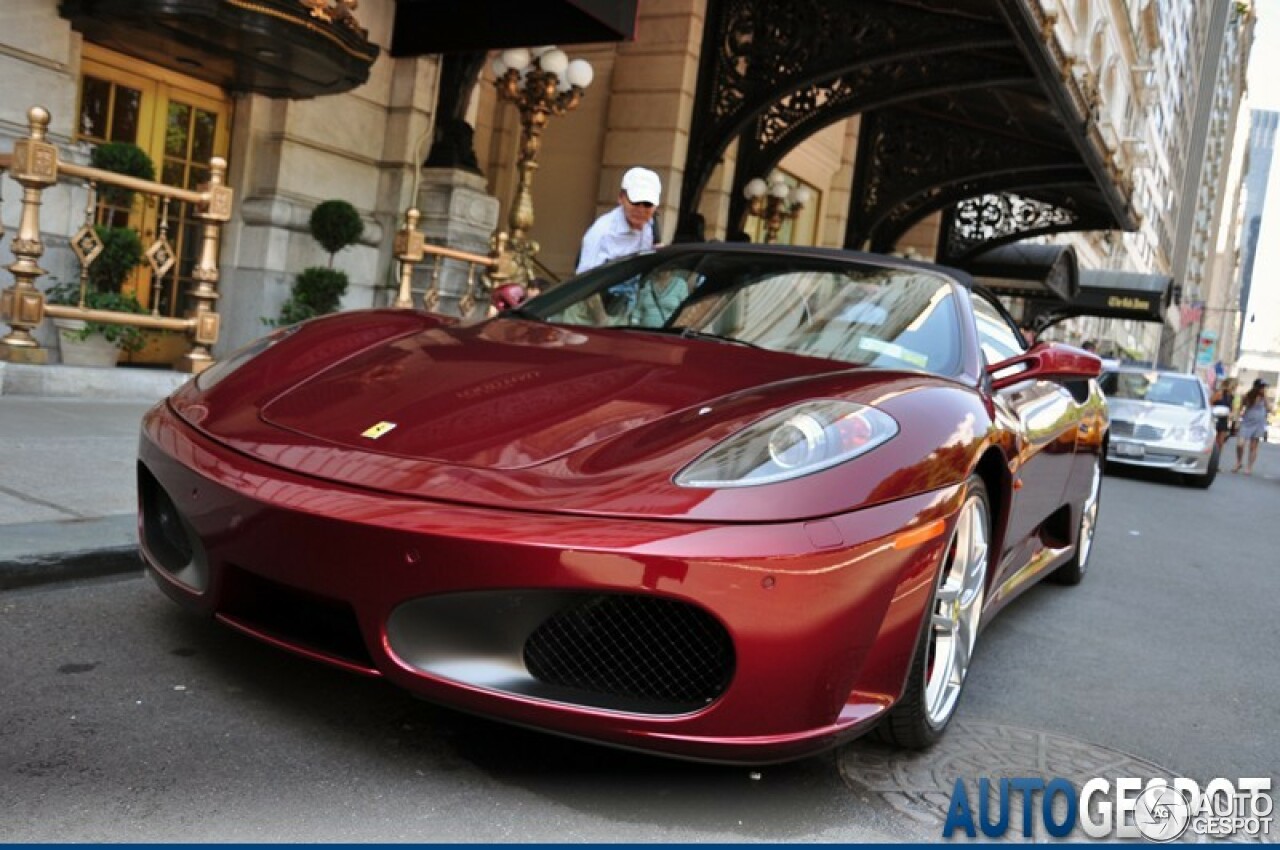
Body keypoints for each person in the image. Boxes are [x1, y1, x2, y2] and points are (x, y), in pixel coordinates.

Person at [576, 166, 662, 274]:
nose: (641, 210)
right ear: (621, 198)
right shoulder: (601, 234)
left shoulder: (651, 225)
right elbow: (584, 280)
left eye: (647, 204)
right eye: (635, 202)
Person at [1233, 378, 1272, 475]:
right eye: (1262, 387)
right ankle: (1239, 462)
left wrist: (1265, 396)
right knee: (1240, 444)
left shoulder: (1264, 398)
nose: (1264, 389)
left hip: (1259, 424)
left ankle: (1249, 467)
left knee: (1253, 446)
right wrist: (1237, 421)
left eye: (1264, 387)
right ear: (1257, 387)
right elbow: (1240, 408)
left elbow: (1269, 409)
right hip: (1246, 422)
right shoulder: (1248, 396)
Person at [1210, 378, 1237, 450]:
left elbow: (1232, 408)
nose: (1235, 388)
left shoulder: (1231, 396)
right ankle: (1213, 455)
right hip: (1215, 418)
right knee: (1214, 440)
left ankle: (1217, 456)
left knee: (1221, 442)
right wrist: (1215, 410)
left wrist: (1232, 414)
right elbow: (1210, 402)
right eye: (1234, 386)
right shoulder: (1219, 393)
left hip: (1224, 419)